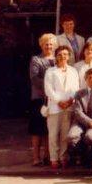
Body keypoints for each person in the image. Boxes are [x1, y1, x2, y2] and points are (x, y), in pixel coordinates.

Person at [44, 45, 80, 169]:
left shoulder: (73, 71)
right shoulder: (50, 71)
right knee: (53, 134)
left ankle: (63, 157)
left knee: (65, 134)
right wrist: (59, 102)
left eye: (65, 54)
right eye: (59, 55)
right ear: (56, 57)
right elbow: (48, 89)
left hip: (69, 106)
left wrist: (70, 101)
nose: (62, 57)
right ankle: (54, 158)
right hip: (55, 107)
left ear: (69, 56)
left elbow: (76, 88)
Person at [28, 34, 56, 166]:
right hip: (39, 98)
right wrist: (50, 87)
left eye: (51, 44)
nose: (48, 46)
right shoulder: (36, 59)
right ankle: (36, 158)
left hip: (53, 99)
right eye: (46, 44)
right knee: (37, 129)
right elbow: (34, 78)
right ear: (41, 45)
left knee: (48, 129)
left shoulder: (57, 59)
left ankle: (47, 156)